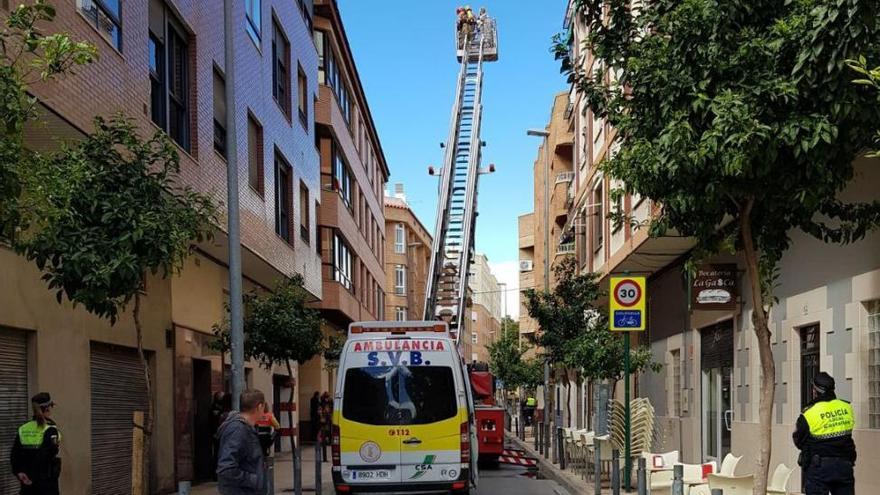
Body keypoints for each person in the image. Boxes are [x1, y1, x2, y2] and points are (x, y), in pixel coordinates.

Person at [793, 372, 856, 495]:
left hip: (819, 468)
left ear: (815, 391)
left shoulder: (809, 412)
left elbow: (799, 440)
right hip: (844, 465)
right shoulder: (846, 407)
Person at [216, 389, 269, 495]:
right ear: (259, 407)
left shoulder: (246, 428)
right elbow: (226, 468)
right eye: (263, 407)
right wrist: (253, 480)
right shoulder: (238, 430)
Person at [10, 392, 61, 495]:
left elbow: (14, 454)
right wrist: (34, 477)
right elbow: (46, 455)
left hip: (27, 484)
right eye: (51, 406)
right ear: (47, 408)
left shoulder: (24, 428)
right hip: (46, 484)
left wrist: (19, 472)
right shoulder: (50, 429)